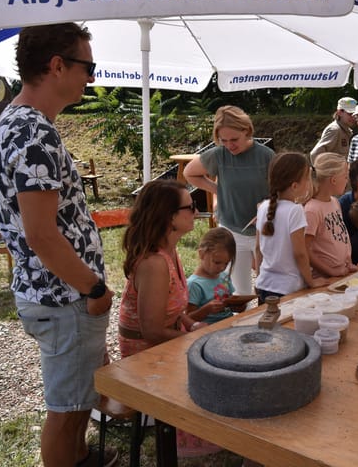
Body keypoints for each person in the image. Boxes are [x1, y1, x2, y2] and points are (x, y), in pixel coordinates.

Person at [0, 23, 118, 467]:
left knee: (77, 405)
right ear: (57, 65)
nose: (92, 78)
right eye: (88, 67)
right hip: (66, 297)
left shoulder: (19, 123)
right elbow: (41, 233)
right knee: (66, 413)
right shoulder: (33, 132)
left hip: (53, 293)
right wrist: (93, 289)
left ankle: (83, 459)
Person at [118, 179, 221, 458]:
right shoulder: (154, 263)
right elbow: (151, 331)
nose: (196, 211)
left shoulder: (170, 251)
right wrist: (196, 337)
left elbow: (173, 311)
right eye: (191, 206)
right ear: (170, 217)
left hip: (162, 342)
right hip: (145, 355)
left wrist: (192, 325)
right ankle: (192, 437)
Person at [184, 105, 274, 295]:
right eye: (223, 140)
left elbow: (281, 190)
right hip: (233, 231)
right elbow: (189, 173)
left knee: (269, 287)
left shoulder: (265, 156)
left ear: (247, 131)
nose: (230, 145)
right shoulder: (219, 155)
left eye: (234, 139)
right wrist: (218, 190)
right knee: (240, 292)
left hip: (264, 232)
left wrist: (269, 208)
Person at [255, 152, 330, 303]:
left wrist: (258, 279)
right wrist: (311, 282)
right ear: (295, 186)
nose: (310, 183)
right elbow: (300, 253)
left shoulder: (263, 207)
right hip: (288, 289)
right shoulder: (295, 211)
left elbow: (258, 248)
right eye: (307, 179)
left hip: (264, 285)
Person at [305, 153, 356, 279]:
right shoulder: (312, 210)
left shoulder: (335, 202)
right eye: (345, 177)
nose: (347, 180)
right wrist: (330, 271)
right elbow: (305, 249)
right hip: (324, 278)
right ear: (333, 180)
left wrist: (347, 262)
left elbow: (339, 236)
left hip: (341, 273)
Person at [187, 227, 238, 325]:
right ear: (202, 254)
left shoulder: (224, 276)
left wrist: (238, 306)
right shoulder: (194, 284)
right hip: (207, 330)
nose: (222, 268)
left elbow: (230, 304)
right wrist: (206, 310)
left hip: (229, 324)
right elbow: (188, 318)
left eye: (226, 263)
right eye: (217, 262)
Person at [309, 97, 357, 162]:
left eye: (355, 114)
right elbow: (315, 154)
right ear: (339, 112)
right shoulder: (335, 130)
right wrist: (326, 171)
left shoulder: (345, 130)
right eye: (350, 114)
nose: (353, 117)